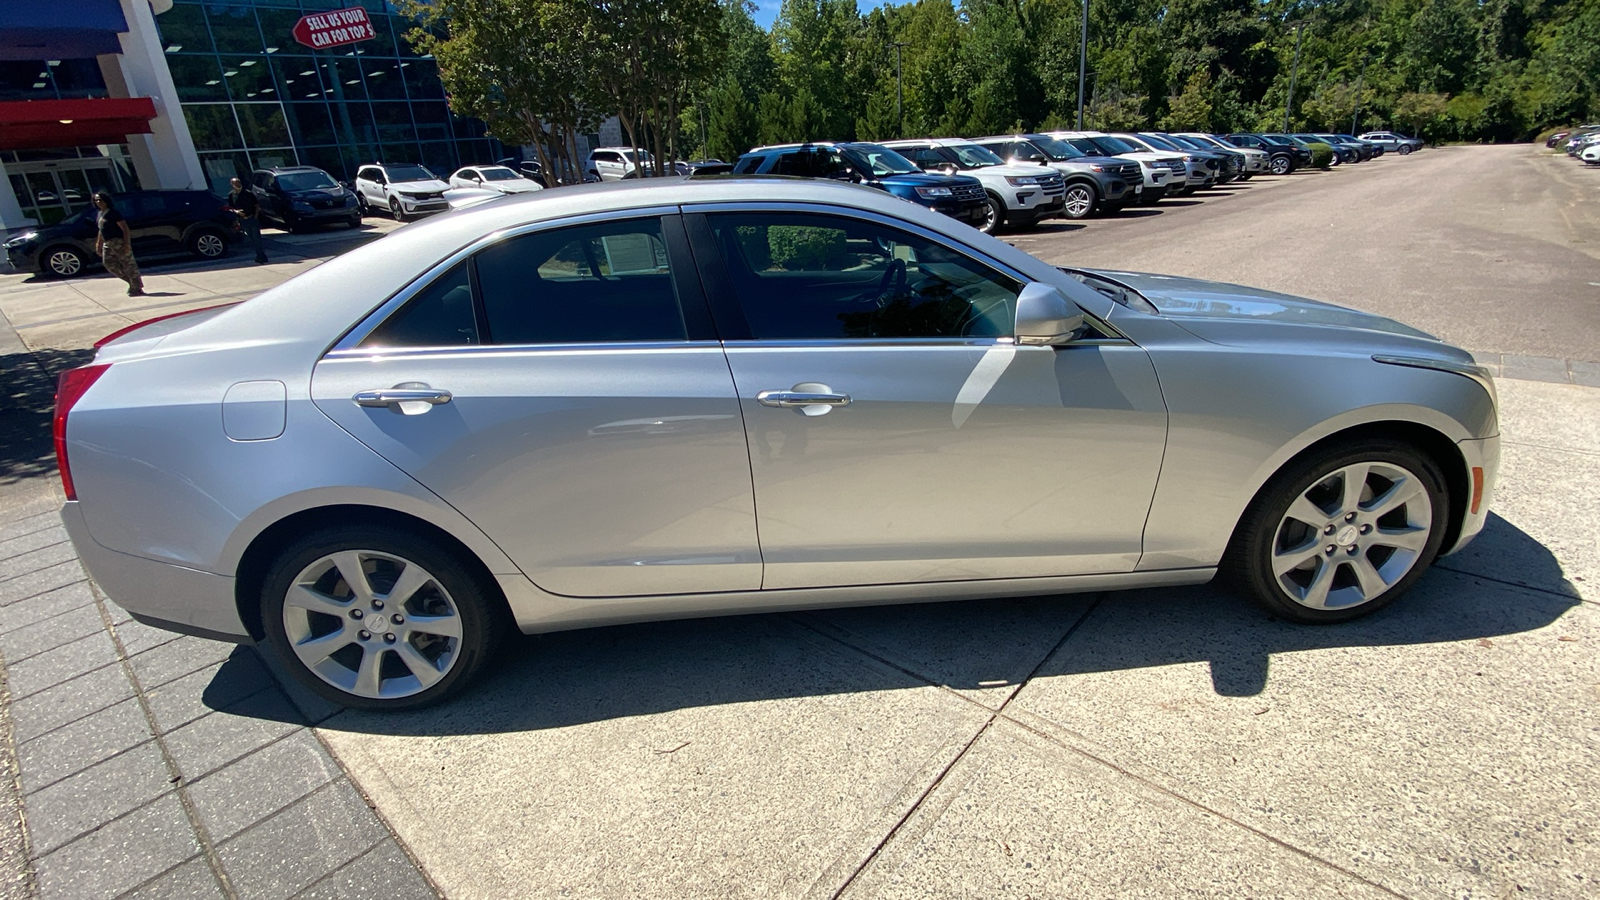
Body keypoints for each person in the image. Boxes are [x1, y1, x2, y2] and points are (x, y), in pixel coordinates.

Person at [92, 192, 144, 296]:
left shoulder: (113, 213)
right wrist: (99, 244)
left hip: (118, 242)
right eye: (96, 200)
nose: (99, 202)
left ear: (106, 200)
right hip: (107, 243)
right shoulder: (100, 214)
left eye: (100, 200)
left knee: (128, 264)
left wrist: (126, 244)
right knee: (109, 264)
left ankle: (136, 287)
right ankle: (132, 282)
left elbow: (125, 229)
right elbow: (101, 230)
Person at [228, 176, 268, 264]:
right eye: (235, 183)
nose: (237, 184)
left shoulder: (248, 193)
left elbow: (257, 206)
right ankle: (262, 255)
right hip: (242, 220)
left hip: (252, 218)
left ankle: (260, 257)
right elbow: (231, 208)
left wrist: (255, 217)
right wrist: (237, 212)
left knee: (257, 238)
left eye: (238, 182)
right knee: (252, 238)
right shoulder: (231, 195)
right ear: (232, 184)